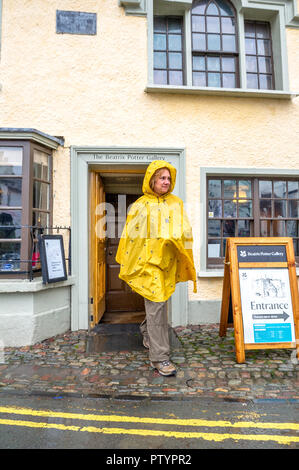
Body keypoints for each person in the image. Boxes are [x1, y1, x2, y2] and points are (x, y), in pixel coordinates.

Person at [116, 160, 197, 376]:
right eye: (162, 177)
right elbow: (131, 238)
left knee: (159, 306)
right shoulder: (140, 205)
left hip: (166, 265)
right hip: (147, 265)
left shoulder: (176, 203)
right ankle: (160, 358)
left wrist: (175, 239)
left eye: (169, 178)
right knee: (158, 306)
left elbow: (185, 231)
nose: (166, 181)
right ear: (152, 180)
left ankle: (146, 330)